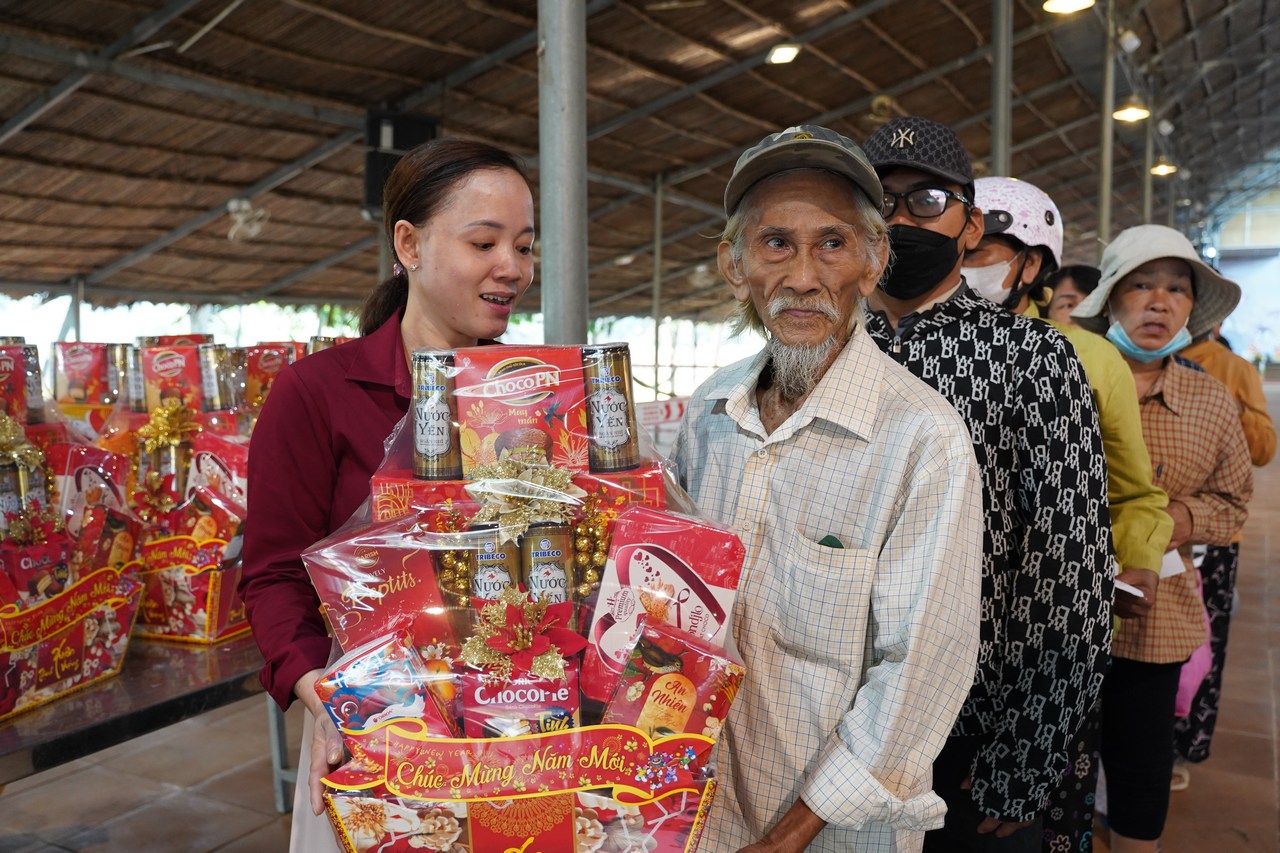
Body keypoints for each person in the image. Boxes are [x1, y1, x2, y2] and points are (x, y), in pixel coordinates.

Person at [673, 124, 984, 852]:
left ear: (875, 261)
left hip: (832, 833)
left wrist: (789, 836)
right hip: (695, 811)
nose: (804, 275)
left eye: (833, 244)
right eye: (775, 243)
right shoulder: (708, 414)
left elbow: (918, 673)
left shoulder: (921, 438)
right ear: (733, 263)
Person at [238, 138, 535, 851]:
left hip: (516, 725)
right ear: (409, 243)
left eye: (525, 246)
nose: (513, 268)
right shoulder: (316, 392)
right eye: (485, 241)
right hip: (373, 722)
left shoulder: (532, 397)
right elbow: (273, 573)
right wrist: (322, 694)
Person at [859, 116, 1113, 852]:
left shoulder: (1033, 357)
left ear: (969, 225)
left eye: (927, 200)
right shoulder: (825, 349)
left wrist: (1028, 752)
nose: (903, 218)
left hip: (974, 730)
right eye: (881, 200)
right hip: (835, 719)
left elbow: (1071, 567)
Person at [966, 176, 1173, 849]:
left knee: (1026, 822)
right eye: (963, 247)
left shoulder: (1087, 359)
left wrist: (1138, 554)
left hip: (1039, 643)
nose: (969, 264)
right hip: (938, 632)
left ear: (1034, 266)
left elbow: (1135, 491)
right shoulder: (910, 346)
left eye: (986, 250)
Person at [1071, 223, 1252, 852]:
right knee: (1054, 753)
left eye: (1177, 289)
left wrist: (1163, 521)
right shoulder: (1064, 377)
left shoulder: (1208, 398)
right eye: (1141, 285)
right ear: (1111, 298)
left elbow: (1233, 506)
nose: (1159, 301)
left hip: (1157, 616)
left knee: (1141, 762)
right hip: (1058, 607)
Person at [1169, 314, 1275, 787]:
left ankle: (1183, 744)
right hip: (1143, 535)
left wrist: (1223, 410)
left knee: (1199, 648)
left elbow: (1263, 448)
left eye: (1177, 291)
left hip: (1209, 540)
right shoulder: (1125, 363)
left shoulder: (1231, 368)